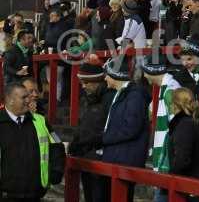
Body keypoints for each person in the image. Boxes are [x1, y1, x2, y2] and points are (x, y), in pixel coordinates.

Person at [101, 55, 151, 202]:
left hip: (125, 160)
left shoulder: (134, 97)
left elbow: (130, 128)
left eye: (107, 75)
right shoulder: (121, 94)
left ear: (115, 76)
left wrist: (103, 138)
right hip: (117, 158)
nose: (105, 79)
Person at [0, 83, 60, 201]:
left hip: (36, 194)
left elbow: (57, 145)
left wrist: (56, 172)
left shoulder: (40, 120)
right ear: (10, 100)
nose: (28, 100)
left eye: (28, 96)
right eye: (24, 97)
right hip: (6, 196)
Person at [68, 59, 115, 202]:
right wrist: (76, 142)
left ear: (98, 81)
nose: (83, 86)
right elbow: (84, 125)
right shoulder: (89, 99)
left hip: (100, 157)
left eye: (87, 82)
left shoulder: (109, 99)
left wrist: (88, 142)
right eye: (82, 82)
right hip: (86, 155)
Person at [141, 54, 181, 202]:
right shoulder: (165, 89)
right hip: (164, 161)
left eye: (146, 71)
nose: (144, 75)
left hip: (167, 163)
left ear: (153, 71)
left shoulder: (170, 91)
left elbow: (176, 128)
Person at [168, 88, 199, 179]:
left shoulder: (185, 125)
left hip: (184, 182)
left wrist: (170, 177)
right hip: (190, 179)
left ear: (176, 105)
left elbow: (182, 159)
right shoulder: (192, 122)